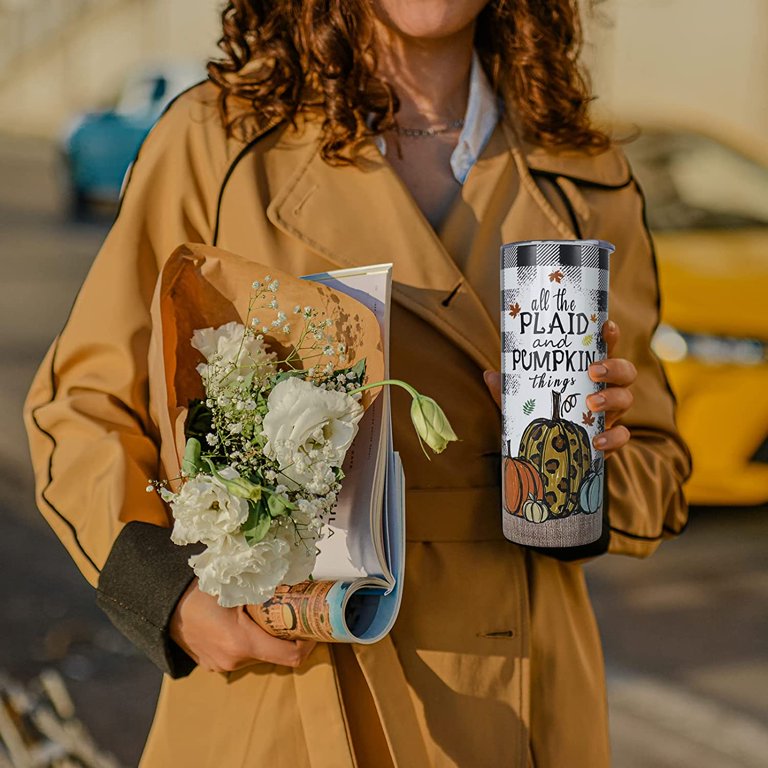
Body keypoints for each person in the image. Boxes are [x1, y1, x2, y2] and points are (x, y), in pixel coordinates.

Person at [24, 1, 691, 766]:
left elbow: (660, 471)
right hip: (286, 677)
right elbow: (79, 407)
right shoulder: (219, 138)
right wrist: (170, 596)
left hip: (522, 693)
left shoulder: (585, 172)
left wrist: (577, 462)